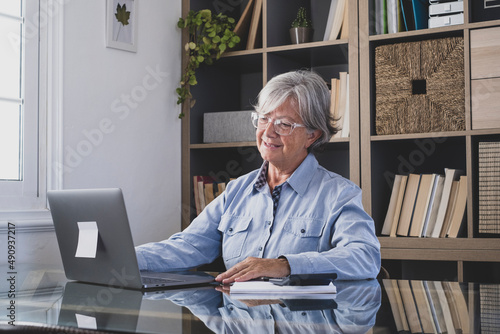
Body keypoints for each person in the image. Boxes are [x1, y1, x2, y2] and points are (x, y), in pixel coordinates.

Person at [136, 70, 381, 283]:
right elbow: (187, 247)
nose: (268, 132)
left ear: (312, 135)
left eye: (284, 124)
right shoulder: (237, 191)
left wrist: (284, 265)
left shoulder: (339, 194)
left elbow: (364, 257)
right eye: (263, 118)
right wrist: (124, 258)